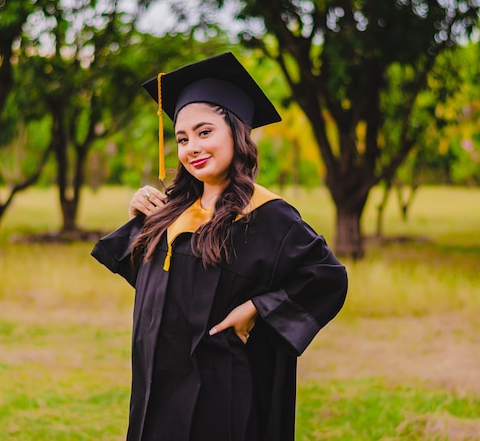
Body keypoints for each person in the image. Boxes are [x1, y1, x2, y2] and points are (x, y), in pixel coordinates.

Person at [91, 52, 348, 441]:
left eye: (205, 132)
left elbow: (327, 278)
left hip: (224, 397)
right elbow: (157, 286)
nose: (192, 146)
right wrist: (144, 225)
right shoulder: (174, 208)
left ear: (237, 133)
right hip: (157, 390)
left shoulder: (268, 216)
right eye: (182, 138)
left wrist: (258, 309)